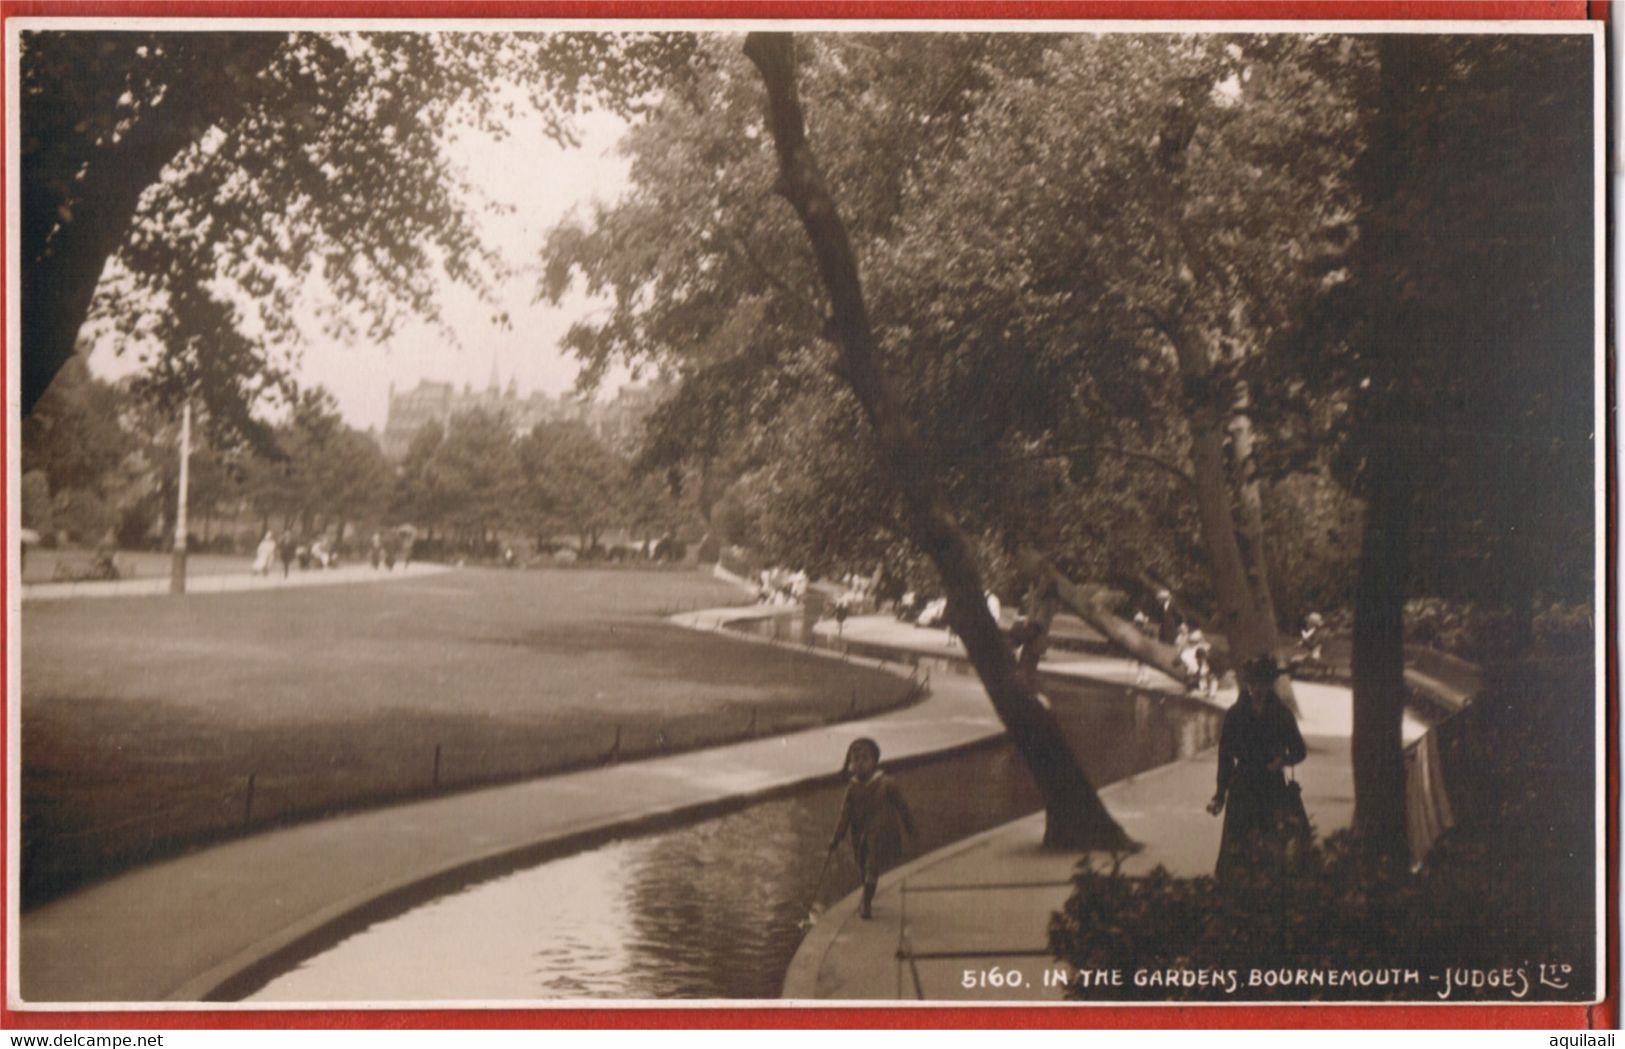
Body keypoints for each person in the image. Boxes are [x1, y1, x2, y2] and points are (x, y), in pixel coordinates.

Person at [1207, 655, 1307, 886]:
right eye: (1254, 683)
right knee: (1237, 845)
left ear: (1270, 684)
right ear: (1248, 683)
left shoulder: (1282, 714)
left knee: (1269, 844)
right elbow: (1225, 756)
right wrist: (1220, 794)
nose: (1258, 688)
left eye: (1263, 683)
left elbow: (1299, 750)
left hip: (1271, 787)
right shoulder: (1235, 714)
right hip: (1242, 785)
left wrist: (1283, 760)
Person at [828, 737, 916, 920]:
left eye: (865, 759)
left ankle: (866, 903)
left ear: (875, 761)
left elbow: (903, 807)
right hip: (860, 834)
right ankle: (867, 894)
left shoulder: (887, 784)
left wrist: (911, 829)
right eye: (855, 759)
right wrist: (836, 837)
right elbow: (844, 815)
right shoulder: (852, 788)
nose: (860, 764)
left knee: (872, 867)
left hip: (880, 833)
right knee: (862, 865)